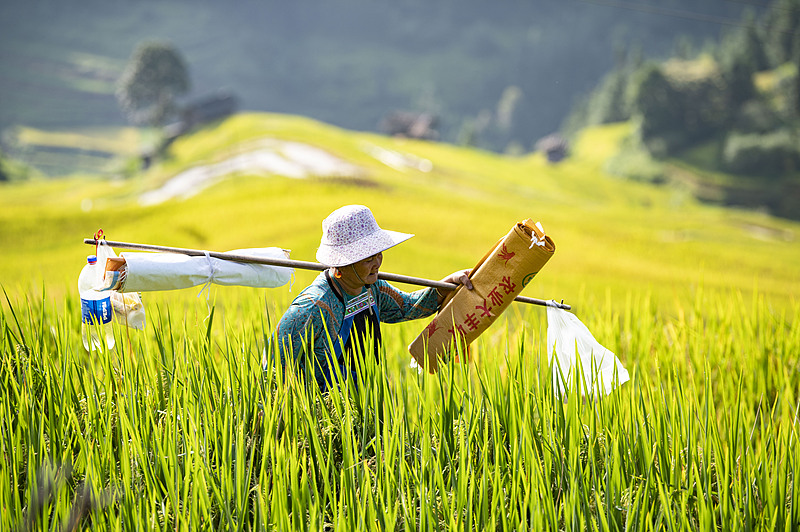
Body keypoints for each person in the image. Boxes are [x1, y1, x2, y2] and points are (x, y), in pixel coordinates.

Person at [271, 204, 472, 391]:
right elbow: (273, 369)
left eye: (378, 254)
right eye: (368, 259)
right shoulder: (312, 307)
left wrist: (446, 286)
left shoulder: (373, 287)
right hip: (323, 410)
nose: (377, 264)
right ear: (342, 265)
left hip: (368, 399)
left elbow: (407, 307)